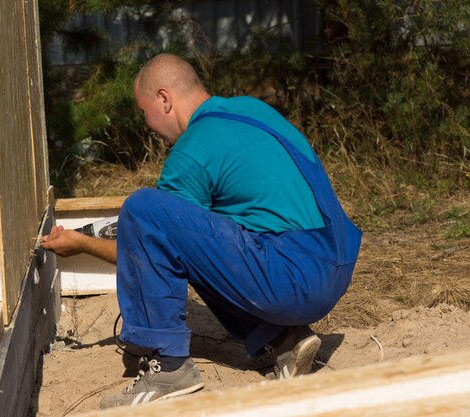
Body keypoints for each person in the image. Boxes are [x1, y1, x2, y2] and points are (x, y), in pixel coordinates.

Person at [41, 53, 362, 408]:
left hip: (293, 279)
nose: (147, 124)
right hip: (335, 265)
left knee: (142, 208)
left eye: (143, 111)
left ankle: (170, 369)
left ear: (164, 99)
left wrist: (83, 244)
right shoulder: (251, 110)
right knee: (207, 238)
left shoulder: (192, 149)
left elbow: (148, 250)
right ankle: (285, 339)